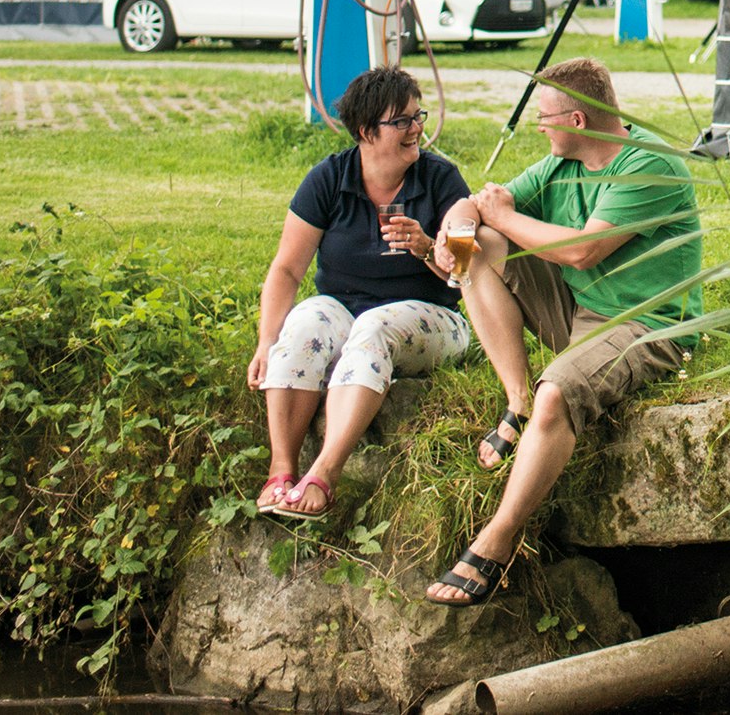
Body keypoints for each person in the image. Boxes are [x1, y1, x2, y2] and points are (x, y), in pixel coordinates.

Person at [423, 57, 702, 606]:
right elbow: (479, 204)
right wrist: (455, 233)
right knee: (475, 251)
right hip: (580, 314)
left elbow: (580, 251)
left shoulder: (651, 166)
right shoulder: (561, 166)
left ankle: (496, 542)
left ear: (576, 121)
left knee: (559, 395)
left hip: (646, 327)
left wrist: (497, 216)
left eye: (543, 118)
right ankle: (515, 399)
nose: (540, 128)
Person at [249, 68, 473, 520]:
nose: (417, 129)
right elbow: (288, 269)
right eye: (403, 121)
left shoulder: (443, 181)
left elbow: (466, 272)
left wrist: (427, 247)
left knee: (372, 328)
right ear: (367, 132)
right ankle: (281, 471)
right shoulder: (330, 178)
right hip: (343, 308)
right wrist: (264, 342)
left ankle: (325, 474)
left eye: (418, 116)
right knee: (306, 321)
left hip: (435, 317)